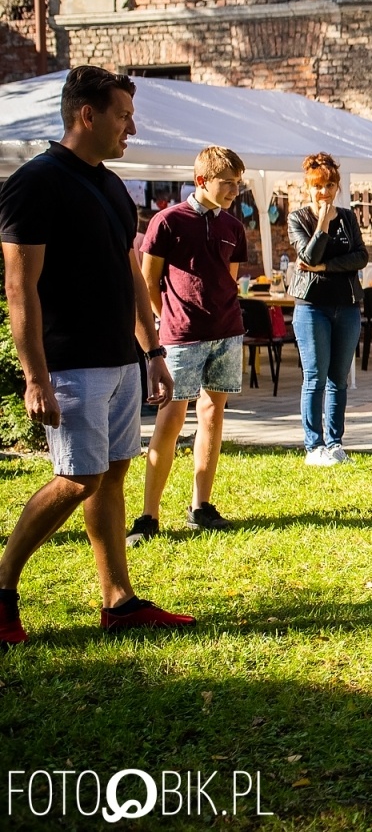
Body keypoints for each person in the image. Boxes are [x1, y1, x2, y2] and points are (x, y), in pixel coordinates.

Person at [0, 65, 195, 642]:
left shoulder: (111, 184)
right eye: (123, 116)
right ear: (88, 115)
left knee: (111, 479)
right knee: (76, 479)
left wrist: (152, 348)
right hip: (71, 363)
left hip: (121, 360)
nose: (130, 128)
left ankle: (119, 601)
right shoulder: (34, 183)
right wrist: (35, 376)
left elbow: (132, 273)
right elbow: (19, 285)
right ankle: (3, 586)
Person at [128, 146, 249, 547]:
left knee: (213, 416)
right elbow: (147, 284)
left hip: (227, 334)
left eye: (238, 182)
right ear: (201, 181)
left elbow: (228, 281)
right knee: (170, 420)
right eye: (228, 182)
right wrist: (170, 321)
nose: (235, 189)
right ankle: (148, 515)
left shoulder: (234, 226)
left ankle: (201, 506)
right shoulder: (166, 222)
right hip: (180, 338)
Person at [287, 152, 369, 466]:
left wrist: (325, 266)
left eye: (330, 185)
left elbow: (361, 257)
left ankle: (335, 442)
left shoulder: (348, 217)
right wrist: (321, 223)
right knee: (315, 377)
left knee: (339, 378)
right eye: (319, 186)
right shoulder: (298, 218)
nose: (325, 192)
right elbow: (307, 254)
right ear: (308, 187)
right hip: (312, 308)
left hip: (346, 306)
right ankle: (313, 446)